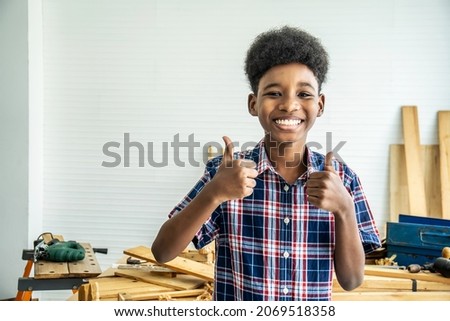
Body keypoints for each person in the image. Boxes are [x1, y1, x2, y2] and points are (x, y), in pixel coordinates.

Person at [151, 25, 381, 301]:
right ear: (253, 103)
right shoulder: (224, 175)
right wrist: (213, 193)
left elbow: (352, 280)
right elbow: (162, 252)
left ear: (320, 105)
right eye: (274, 93)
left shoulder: (342, 180)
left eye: (304, 94)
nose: (289, 105)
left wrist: (344, 209)